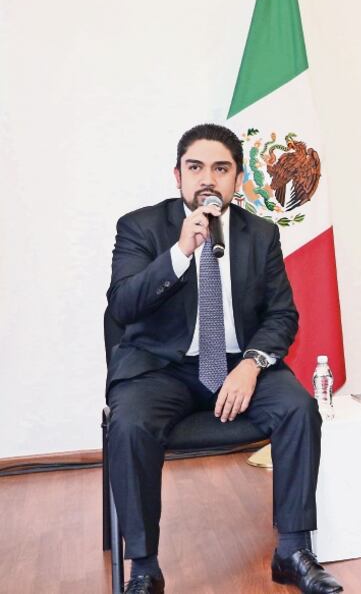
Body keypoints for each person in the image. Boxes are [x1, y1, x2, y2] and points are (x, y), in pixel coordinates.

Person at [106, 123, 342, 594]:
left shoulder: (261, 234)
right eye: (196, 168)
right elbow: (123, 306)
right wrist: (179, 252)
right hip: (160, 368)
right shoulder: (141, 227)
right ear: (178, 175)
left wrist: (252, 364)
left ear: (237, 180)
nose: (207, 179)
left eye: (221, 168)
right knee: (129, 424)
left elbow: (282, 315)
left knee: (298, 408)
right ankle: (144, 567)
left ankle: (292, 550)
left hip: (239, 362)